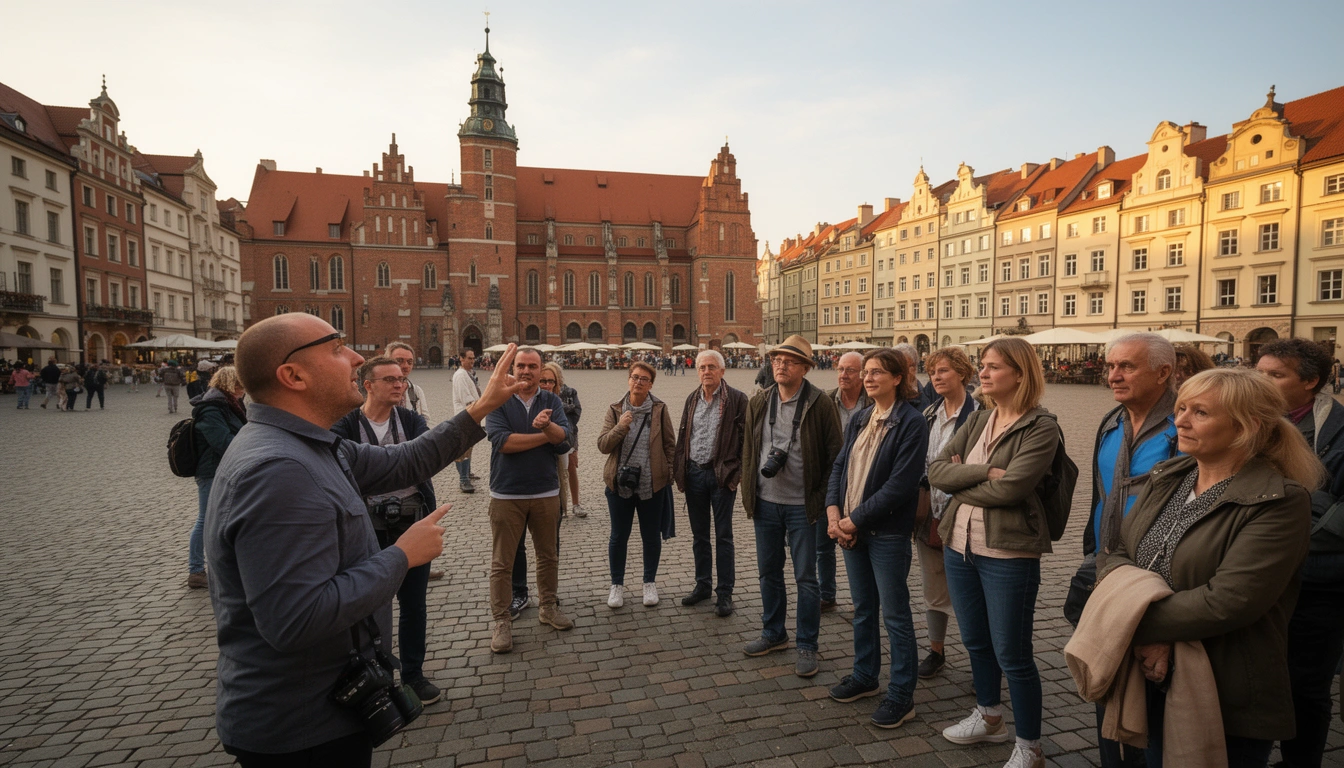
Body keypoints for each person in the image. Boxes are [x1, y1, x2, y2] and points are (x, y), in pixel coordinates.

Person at [206, 313, 521, 767]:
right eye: (336, 349)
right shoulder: (278, 470)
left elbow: (404, 461)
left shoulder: (305, 443)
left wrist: (481, 407)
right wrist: (401, 555)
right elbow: (296, 618)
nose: (356, 358)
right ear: (293, 376)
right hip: (301, 729)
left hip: (323, 710)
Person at [1092, 368, 1320, 766]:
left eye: (1200, 412)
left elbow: (1228, 601)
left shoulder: (1278, 500)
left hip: (1222, 686)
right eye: (1181, 408)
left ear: (1246, 426)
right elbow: (1118, 551)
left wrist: (1130, 622)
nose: (1180, 421)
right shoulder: (1169, 477)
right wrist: (1145, 628)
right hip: (1143, 675)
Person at [927, 337, 1061, 768]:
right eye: (982, 365)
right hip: (959, 545)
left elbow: (1013, 489)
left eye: (993, 367)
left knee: (1013, 654)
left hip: (1008, 551)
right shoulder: (980, 418)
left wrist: (962, 480)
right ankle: (988, 716)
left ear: (1020, 374)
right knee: (975, 641)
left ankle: (1030, 747)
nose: (982, 373)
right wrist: (984, 471)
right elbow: (936, 471)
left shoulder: (1041, 426)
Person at [1080, 333, 1180, 768]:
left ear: (1163, 372)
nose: (1114, 376)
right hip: (1107, 568)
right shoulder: (1112, 421)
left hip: (1157, 578)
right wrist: (1092, 552)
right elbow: (1101, 492)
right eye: (1110, 366)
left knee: (1154, 705)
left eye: (1127, 366)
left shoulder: (1183, 424)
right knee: (1108, 688)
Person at [330, 356, 443, 707]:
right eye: (391, 379)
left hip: (411, 519)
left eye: (402, 379)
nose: (400, 384)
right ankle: (374, 677)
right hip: (366, 526)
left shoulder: (410, 419)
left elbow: (428, 455)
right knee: (368, 605)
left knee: (414, 605)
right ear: (368, 385)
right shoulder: (345, 425)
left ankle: (413, 675)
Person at [824, 348, 928, 728]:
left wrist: (852, 521)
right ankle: (865, 676)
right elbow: (840, 466)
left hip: (886, 533)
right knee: (863, 609)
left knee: (895, 615)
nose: (868, 378)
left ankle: (901, 695)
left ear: (898, 378)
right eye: (866, 372)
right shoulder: (861, 417)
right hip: (852, 526)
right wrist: (833, 512)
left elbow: (900, 486)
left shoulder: (912, 422)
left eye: (877, 372)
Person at [1255, 339, 1344, 768]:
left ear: (1310, 381)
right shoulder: (1248, 421)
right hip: (1256, 576)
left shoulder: (1337, 430)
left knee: (1306, 687)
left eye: (1275, 375)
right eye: (1259, 372)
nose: (1261, 381)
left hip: (1317, 581)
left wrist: (1288, 512)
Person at [739, 335, 842, 678]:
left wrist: (824, 499)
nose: (780, 365)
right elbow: (749, 450)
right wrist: (749, 491)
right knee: (768, 573)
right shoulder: (760, 400)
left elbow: (835, 456)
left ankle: (807, 644)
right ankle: (774, 633)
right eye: (777, 360)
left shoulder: (820, 403)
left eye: (789, 361)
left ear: (805, 368)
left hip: (803, 505)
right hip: (766, 502)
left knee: (806, 578)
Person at [484, 347, 573, 654]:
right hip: (506, 493)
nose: (526, 371)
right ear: (513, 368)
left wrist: (548, 427)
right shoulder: (498, 398)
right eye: (521, 365)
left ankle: (548, 607)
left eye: (532, 366)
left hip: (546, 492)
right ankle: (502, 621)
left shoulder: (551, 400)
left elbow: (565, 438)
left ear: (540, 369)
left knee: (548, 556)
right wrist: (546, 435)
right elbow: (503, 442)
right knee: (502, 562)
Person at [916, 346, 980, 681]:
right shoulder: (929, 414)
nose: (936, 377)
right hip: (931, 511)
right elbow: (922, 463)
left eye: (943, 371)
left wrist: (958, 473)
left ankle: (982, 664)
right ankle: (936, 651)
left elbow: (980, 467)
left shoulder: (980, 415)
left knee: (974, 593)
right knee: (934, 586)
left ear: (962, 373)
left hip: (965, 514)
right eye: (932, 372)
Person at [672, 349, 748, 617]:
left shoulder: (737, 399)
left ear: (722, 371)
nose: (706, 372)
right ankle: (703, 585)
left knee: (724, 536)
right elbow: (683, 435)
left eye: (712, 367)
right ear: (697, 371)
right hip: (695, 474)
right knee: (700, 536)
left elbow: (746, 441)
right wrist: (680, 470)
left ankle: (725, 592)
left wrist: (736, 474)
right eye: (702, 367)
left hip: (721, 477)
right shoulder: (692, 398)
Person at [597, 360, 676, 609]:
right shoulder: (615, 409)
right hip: (619, 484)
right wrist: (621, 427)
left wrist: (668, 474)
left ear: (651, 384)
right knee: (618, 536)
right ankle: (616, 585)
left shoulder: (659, 409)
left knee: (650, 536)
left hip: (651, 485)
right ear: (628, 380)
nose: (638, 382)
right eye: (635, 377)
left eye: (644, 379)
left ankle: (649, 583)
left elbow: (670, 445)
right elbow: (603, 445)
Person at [186, 365, 247, 591]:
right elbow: (223, 442)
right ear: (231, 385)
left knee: (226, 519)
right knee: (205, 519)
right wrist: (249, 444)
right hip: (211, 472)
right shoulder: (211, 409)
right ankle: (195, 570)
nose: (243, 391)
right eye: (240, 386)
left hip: (227, 469)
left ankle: (226, 568)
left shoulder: (231, 405)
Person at [821, 351, 871, 611]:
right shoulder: (826, 400)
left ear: (862, 374)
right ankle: (826, 594)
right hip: (830, 480)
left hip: (863, 483)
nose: (843, 375)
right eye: (840, 369)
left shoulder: (873, 402)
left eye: (850, 370)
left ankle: (862, 600)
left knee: (860, 543)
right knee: (823, 544)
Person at [553, 365, 585, 517]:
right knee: (554, 470)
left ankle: (576, 504)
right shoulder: (541, 393)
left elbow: (576, 412)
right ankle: (560, 505)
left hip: (569, 434)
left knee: (571, 467)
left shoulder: (570, 392)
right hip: (549, 437)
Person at [452, 348, 481, 493]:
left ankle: (467, 473)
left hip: (472, 416)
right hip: (465, 416)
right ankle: (463, 480)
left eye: (473, 358)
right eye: (469, 358)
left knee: (469, 447)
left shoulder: (467, 373)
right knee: (463, 449)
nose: (472, 361)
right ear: (461, 358)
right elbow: (467, 399)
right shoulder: (460, 375)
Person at [387, 342, 431, 422]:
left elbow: (425, 418)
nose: (406, 366)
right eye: (399, 361)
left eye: (409, 362)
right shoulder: (377, 389)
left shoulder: (416, 391)